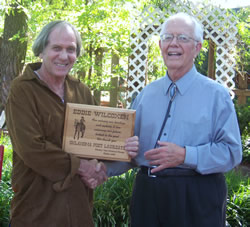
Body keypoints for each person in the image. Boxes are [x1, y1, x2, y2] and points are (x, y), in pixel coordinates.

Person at [5, 21, 138, 227]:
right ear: (41, 50)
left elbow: (97, 139)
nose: (64, 56)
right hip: (36, 212)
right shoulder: (22, 90)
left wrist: (120, 149)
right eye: (56, 48)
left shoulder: (81, 91)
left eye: (71, 49)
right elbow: (32, 149)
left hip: (79, 210)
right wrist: (82, 166)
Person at [127, 13, 242, 227]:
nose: (173, 43)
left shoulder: (216, 96)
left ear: (197, 48)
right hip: (147, 198)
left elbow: (231, 153)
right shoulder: (145, 95)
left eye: (182, 38)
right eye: (168, 37)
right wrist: (97, 168)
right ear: (160, 45)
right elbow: (126, 149)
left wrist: (185, 155)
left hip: (198, 198)